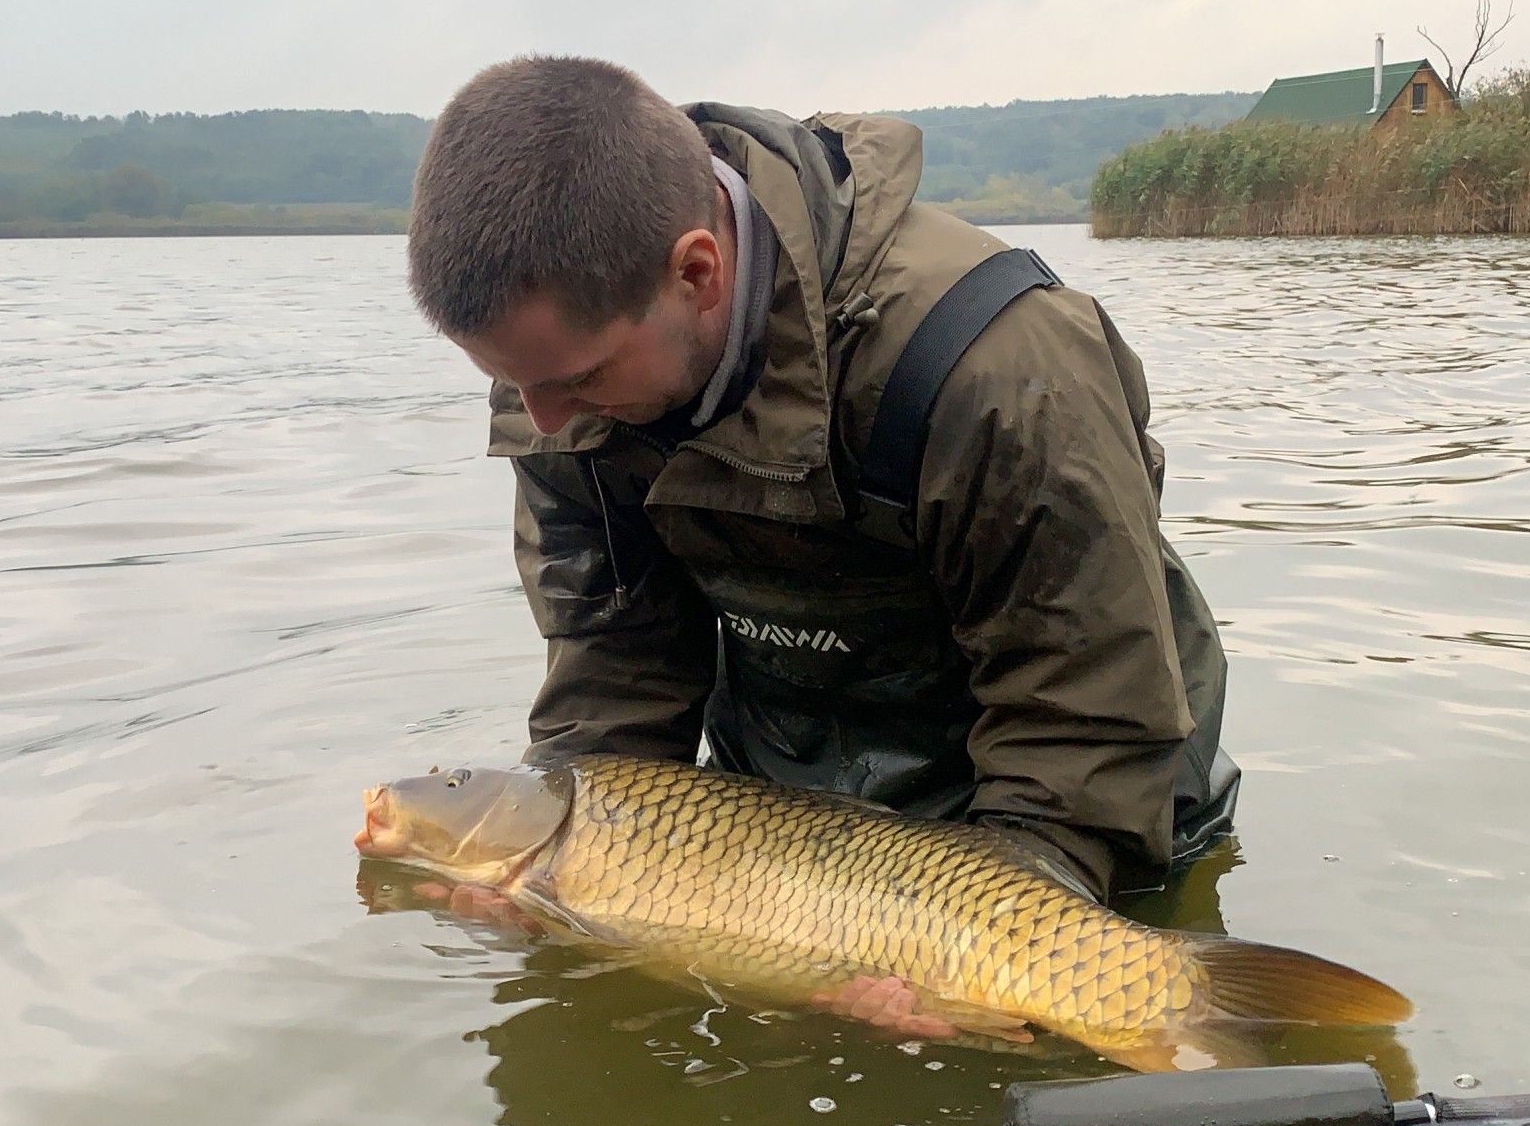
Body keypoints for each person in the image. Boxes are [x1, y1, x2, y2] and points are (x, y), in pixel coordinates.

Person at [403, 56, 1241, 1027]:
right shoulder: (556, 385)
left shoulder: (997, 365)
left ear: (697, 272)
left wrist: (996, 942)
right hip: (804, 821)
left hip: (1088, 779)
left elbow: (1087, 713)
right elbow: (613, 676)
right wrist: (564, 872)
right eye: (514, 383)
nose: (542, 420)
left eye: (577, 379)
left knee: (1084, 1026)